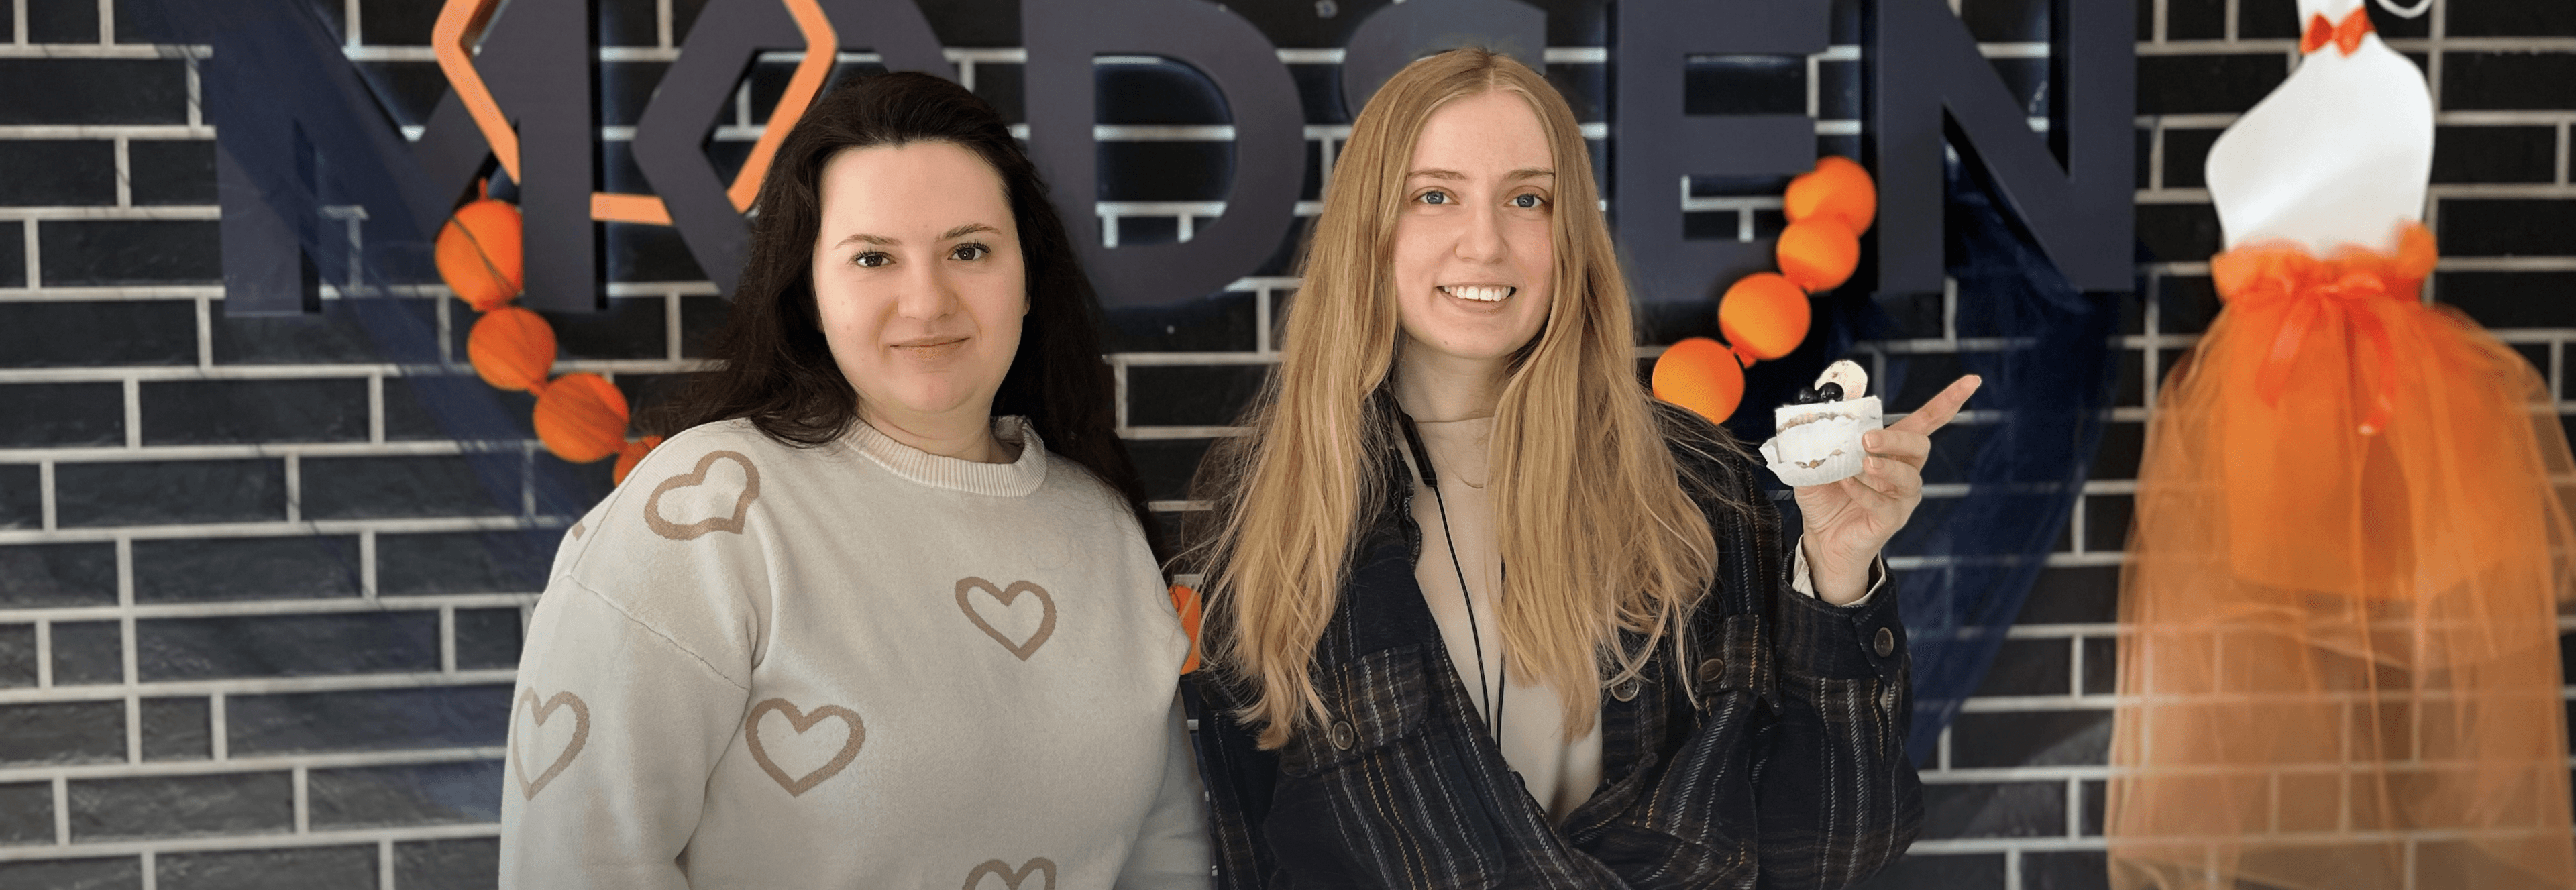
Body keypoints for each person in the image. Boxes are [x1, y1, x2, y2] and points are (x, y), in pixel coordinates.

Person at [1184, 48, 1966, 888]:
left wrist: (1839, 578)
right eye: (1435, 195)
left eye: (1528, 199)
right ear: (1368, 230)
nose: (1484, 243)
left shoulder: (1697, 485)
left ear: (1569, 236)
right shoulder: (1267, 509)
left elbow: (1835, 848)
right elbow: (1242, 852)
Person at [496, 72, 1208, 888]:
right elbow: (581, 862)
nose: (926, 300)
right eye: (873, 258)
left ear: (1029, 279)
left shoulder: (1102, 529)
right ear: (808, 291)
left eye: (968, 250)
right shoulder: (706, 513)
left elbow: (1167, 853)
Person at [2108, 1, 2576, 887]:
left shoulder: (2396, 88)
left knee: (2393, 638)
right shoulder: (2308, 91)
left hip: (2389, 395)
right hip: (2266, 405)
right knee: (2264, 650)